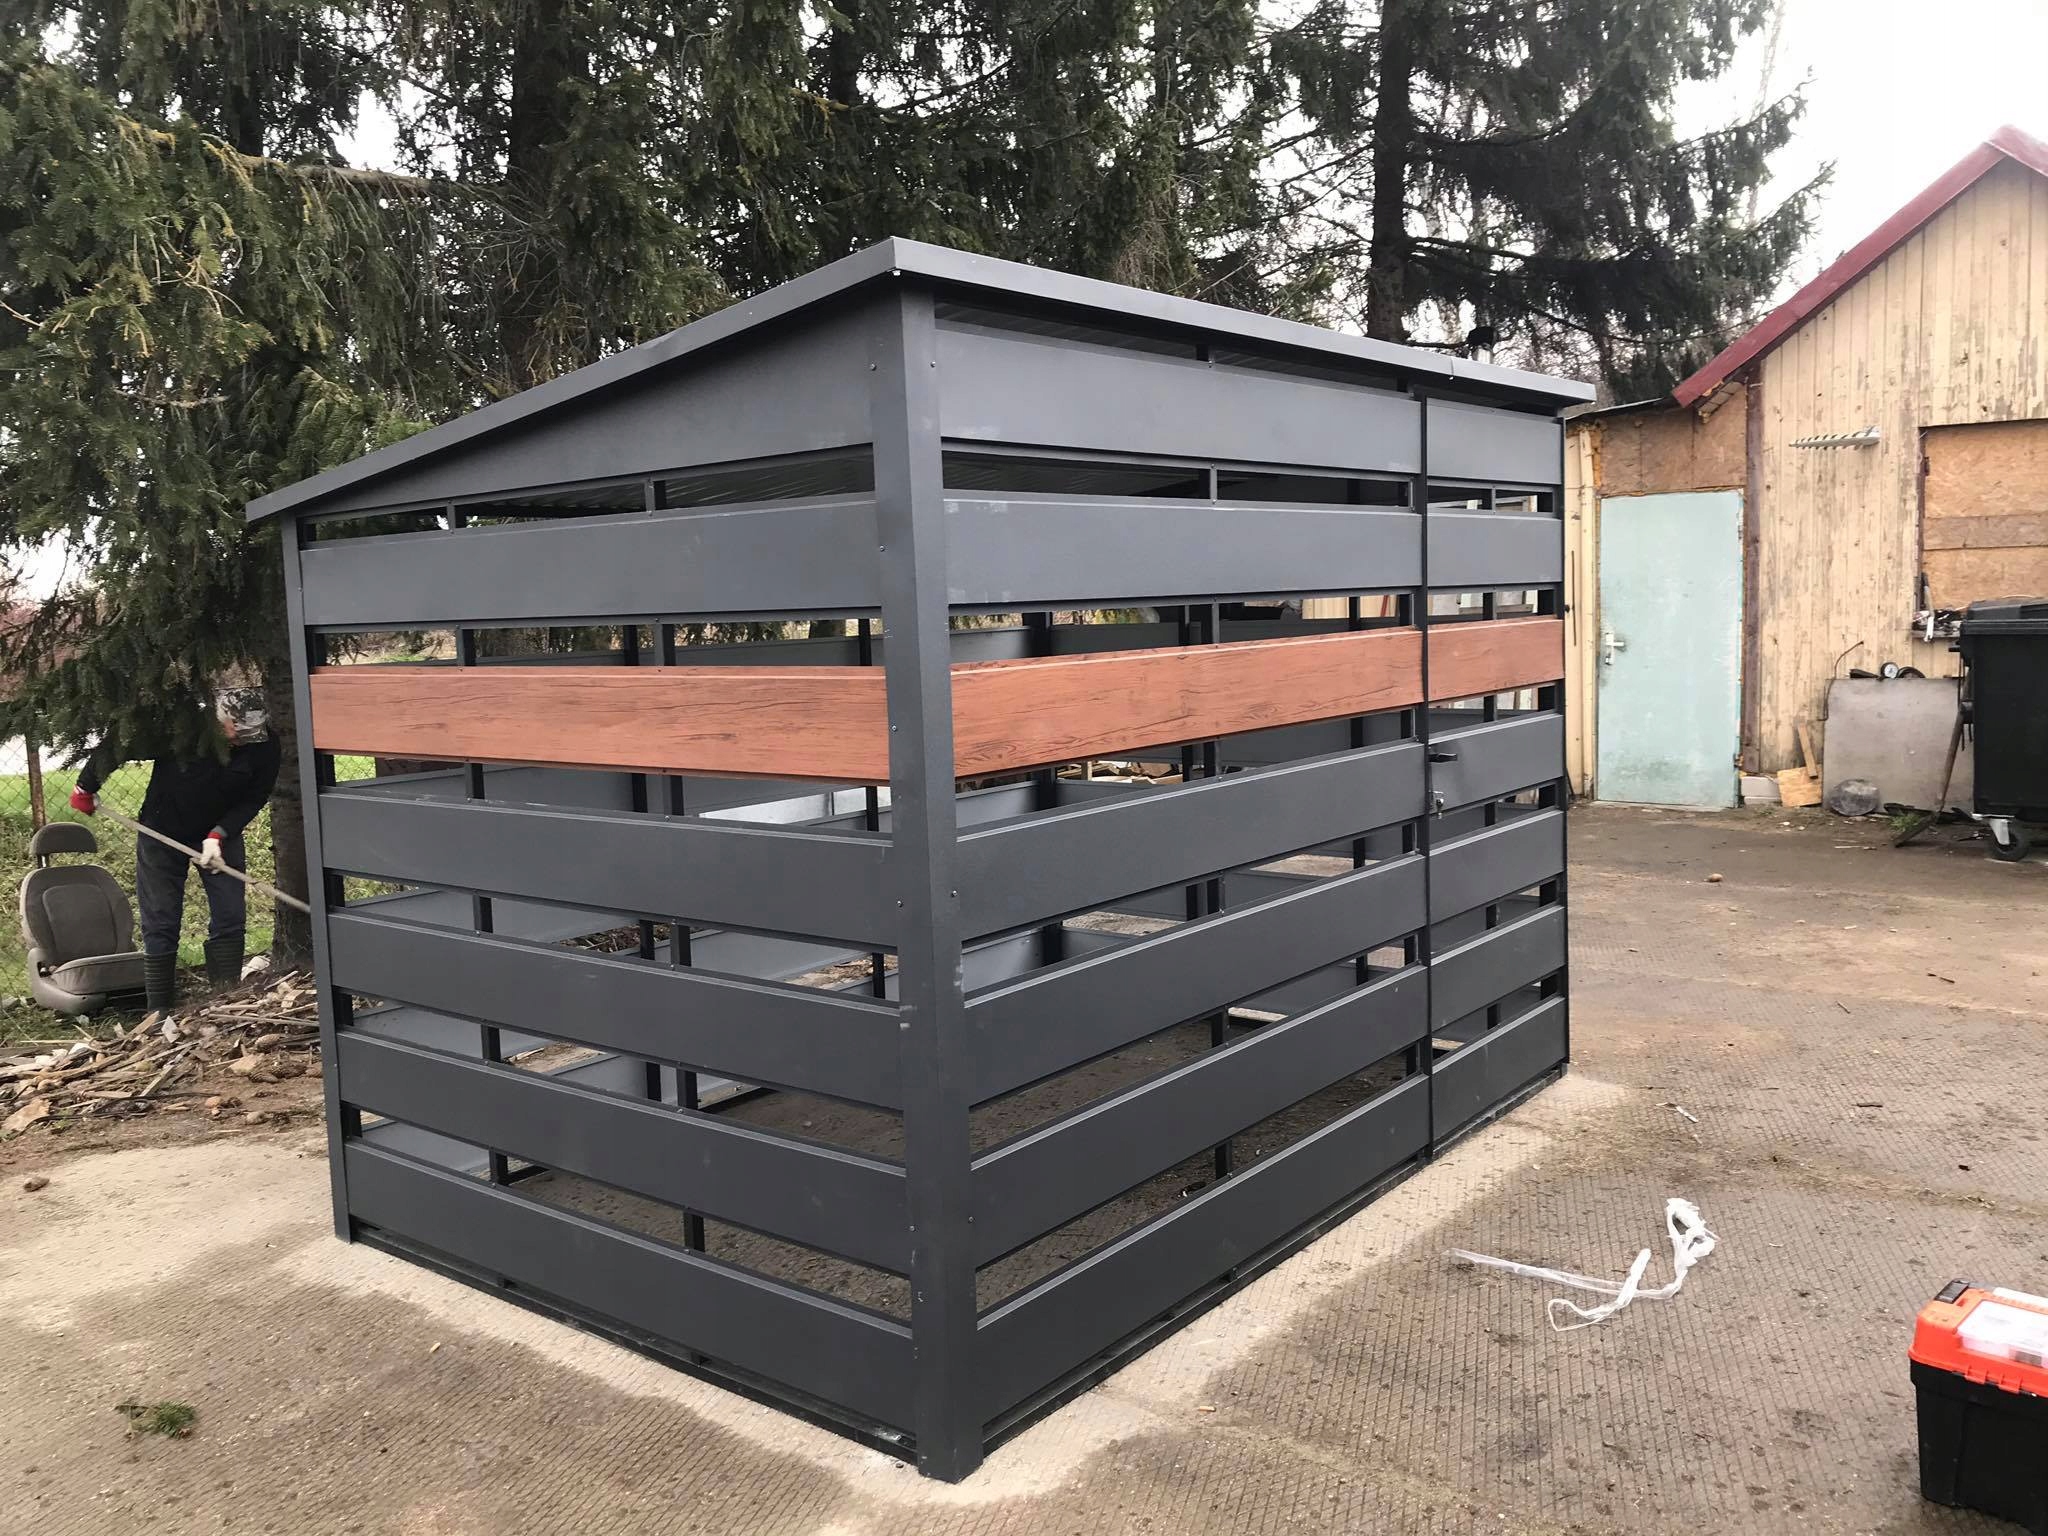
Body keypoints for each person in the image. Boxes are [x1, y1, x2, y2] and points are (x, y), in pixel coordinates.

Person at [68, 688, 281, 1012]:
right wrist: (86, 786)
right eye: (235, 732)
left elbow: (255, 797)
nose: (241, 740)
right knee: (161, 919)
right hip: (161, 831)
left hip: (219, 837)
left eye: (249, 734)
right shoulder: (183, 729)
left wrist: (219, 834)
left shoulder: (264, 745)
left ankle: (224, 1001)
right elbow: (120, 744)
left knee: (230, 915)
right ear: (217, 720)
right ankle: (159, 1010)